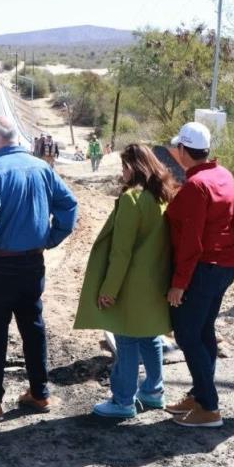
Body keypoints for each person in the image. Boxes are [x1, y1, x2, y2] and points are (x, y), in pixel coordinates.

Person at [0, 116, 78, 421]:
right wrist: (51, 238)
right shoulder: (42, 168)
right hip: (32, 263)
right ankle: (40, 394)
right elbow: (69, 206)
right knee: (33, 327)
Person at [74, 144, 177, 418]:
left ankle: (123, 401)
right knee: (150, 336)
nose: (122, 173)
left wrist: (108, 290)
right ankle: (154, 392)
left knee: (127, 340)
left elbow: (121, 253)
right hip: (156, 282)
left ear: (134, 167)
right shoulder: (162, 197)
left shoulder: (132, 199)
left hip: (131, 286)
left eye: (124, 167)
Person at [164, 122, 234, 428]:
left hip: (203, 269)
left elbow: (191, 241)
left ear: (183, 150)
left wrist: (179, 283)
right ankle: (199, 394)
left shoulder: (196, 186)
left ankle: (209, 407)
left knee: (186, 334)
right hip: (224, 266)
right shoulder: (223, 175)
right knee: (204, 331)